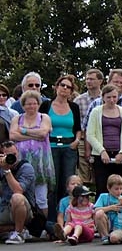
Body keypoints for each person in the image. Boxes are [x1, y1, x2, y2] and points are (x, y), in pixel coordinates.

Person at [9, 89, 55, 221]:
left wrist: (23, 131)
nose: (31, 106)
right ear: (23, 105)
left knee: (41, 198)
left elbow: (43, 134)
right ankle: (24, 227)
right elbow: (12, 135)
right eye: (28, 104)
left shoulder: (44, 117)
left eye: (34, 103)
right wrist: (34, 135)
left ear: (38, 104)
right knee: (22, 195)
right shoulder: (17, 118)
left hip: (41, 162)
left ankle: (43, 226)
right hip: (22, 161)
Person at [45, 74, 83, 225]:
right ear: (56, 87)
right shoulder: (46, 105)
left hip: (69, 147)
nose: (65, 89)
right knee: (52, 184)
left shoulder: (74, 107)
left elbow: (78, 128)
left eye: (68, 87)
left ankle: (69, 220)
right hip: (51, 147)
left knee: (68, 184)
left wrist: (77, 141)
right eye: (63, 85)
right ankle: (52, 221)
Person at [86, 84, 122, 196]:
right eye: (109, 97)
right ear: (103, 97)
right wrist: (102, 151)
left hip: (119, 155)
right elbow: (90, 134)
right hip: (101, 156)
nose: (112, 100)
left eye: (114, 97)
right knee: (102, 187)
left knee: (121, 188)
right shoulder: (96, 112)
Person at [1, 140, 35, 244]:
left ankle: (18, 233)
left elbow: (18, 190)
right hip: (4, 206)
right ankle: (12, 230)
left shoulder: (26, 168)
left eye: (14, 154)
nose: (11, 158)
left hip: (24, 209)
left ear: (18, 153)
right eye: (7, 155)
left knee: (17, 197)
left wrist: (7, 170)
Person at [93, 174, 122, 244]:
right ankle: (105, 236)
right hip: (107, 224)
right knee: (99, 213)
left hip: (119, 227)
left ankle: (115, 237)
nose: (119, 191)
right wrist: (110, 208)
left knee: (114, 238)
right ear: (108, 188)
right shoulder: (103, 196)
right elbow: (96, 210)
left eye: (121, 188)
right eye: (116, 189)